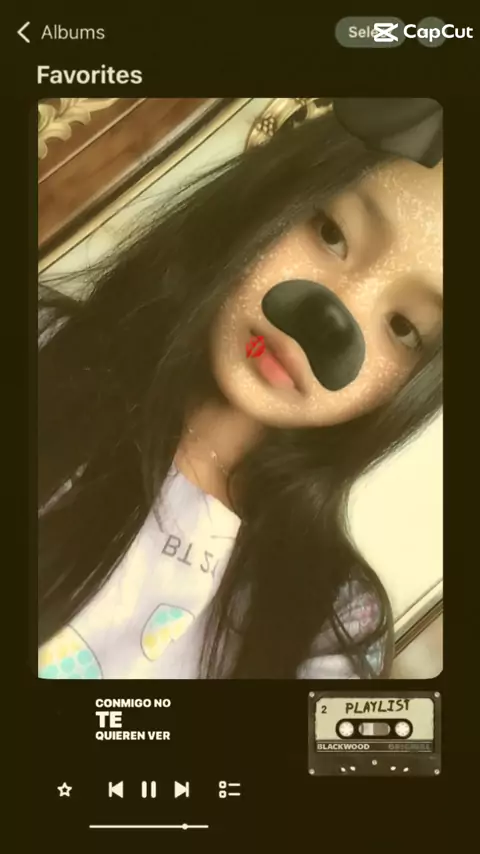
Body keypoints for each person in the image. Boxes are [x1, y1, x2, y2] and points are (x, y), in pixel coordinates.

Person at [38, 99, 443, 680]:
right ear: (272, 194)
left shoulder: (330, 622)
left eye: (403, 328)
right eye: (330, 233)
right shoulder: (42, 348)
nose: (331, 318)